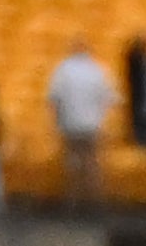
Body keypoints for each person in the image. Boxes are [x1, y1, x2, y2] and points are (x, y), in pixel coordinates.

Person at [48, 34, 113, 206]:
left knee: (73, 163)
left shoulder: (62, 69)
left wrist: (55, 122)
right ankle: (94, 201)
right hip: (93, 123)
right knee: (92, 163)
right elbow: (108, 98)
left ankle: (73, 200)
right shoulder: (98, 70)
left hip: (70, 123)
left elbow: (54, 98)